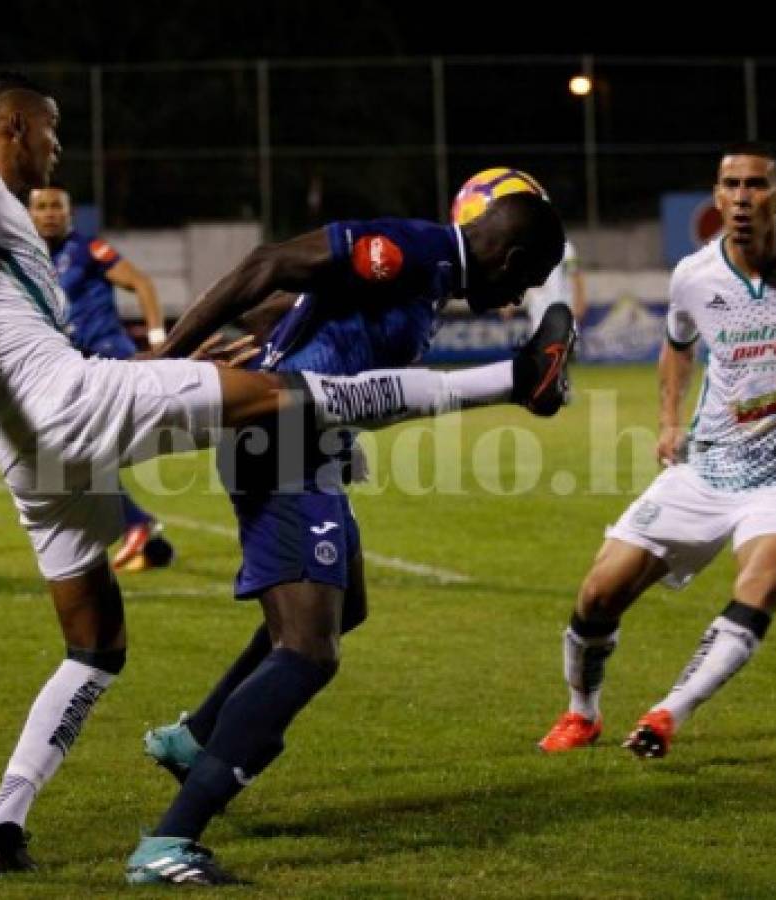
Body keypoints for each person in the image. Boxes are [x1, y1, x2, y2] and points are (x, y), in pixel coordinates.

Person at [0, 71, 572, 880]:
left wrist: (178, 366)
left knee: (95, 649)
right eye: (52, 128)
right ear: (17, 126)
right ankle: (516, 380)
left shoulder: (11, 223)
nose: (59, 147)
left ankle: (3, 826)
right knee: (293, 401)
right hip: (69, 404)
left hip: (30, 448)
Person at [129, 209, 572, 884]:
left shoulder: (430, 277)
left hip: (307, 444)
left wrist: (274, 342)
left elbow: (298, 303)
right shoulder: (410, 251)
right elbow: (267, 263)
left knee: (346, 606)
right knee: (307, 651)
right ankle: (168, 843)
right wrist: (161, 360)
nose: (518, 297)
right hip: (282, 450)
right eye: (529, 280)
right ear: (509, 261)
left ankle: (194, 740)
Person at [537, 143, 776, 760]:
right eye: (729, 184)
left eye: (755, 184)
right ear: (715, 197)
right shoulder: (694, 275)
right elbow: (676, 346)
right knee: (600, 593)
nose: (740, 196)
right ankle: (583, 713)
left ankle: (666, 714)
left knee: (768, 575)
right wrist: (667, 421)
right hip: (702, 474)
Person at [28, 184, 174, 571]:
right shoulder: (28, 261)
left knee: (72, 448)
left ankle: (135, 524)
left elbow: (142, 283)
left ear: (69, 212)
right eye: (41, 207)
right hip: (75, 368)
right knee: (69, 450)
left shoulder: (88, 249)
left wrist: (158, 339)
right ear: (29, 216)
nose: (49, 214)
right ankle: (142, 533)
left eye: (56, 207)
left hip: (109, 359)